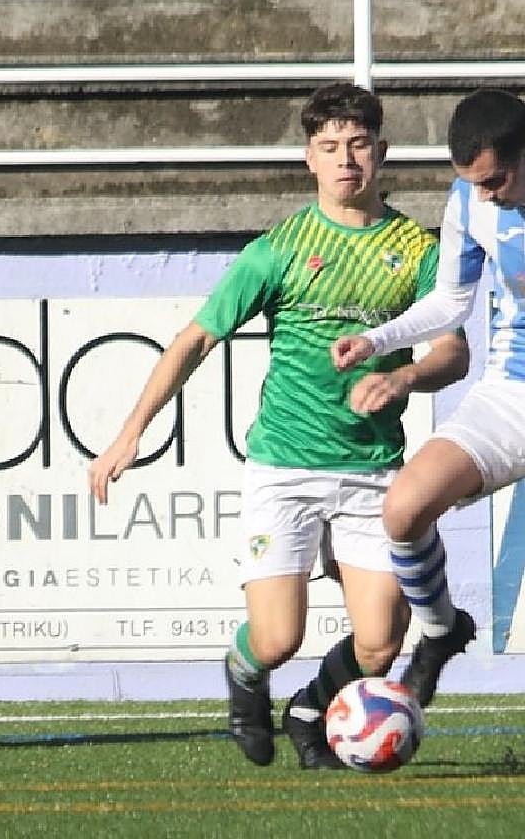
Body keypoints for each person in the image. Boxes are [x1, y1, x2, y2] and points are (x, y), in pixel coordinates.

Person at [88, 83, 469, 769]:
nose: (346, 159)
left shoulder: (416, 249)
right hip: (285, 469)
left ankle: (309, 708)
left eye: (357, 145)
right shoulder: (281, 248)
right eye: (330, 147)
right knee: (276, 639)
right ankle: (245, 676)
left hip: (373, 469)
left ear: (381, 152)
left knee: (381, 643)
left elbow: (451, 350)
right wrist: (129, 432)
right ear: (309, 159)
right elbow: (194, 341)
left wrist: (404, 377)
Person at [331, 88, 525, 706]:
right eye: (474, 182)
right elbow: (450, 300)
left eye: (494, 179)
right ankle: (441, 630)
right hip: (513, 394)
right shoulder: (473, 199)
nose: (485, 194)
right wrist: (377, 339)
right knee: (404, 510)